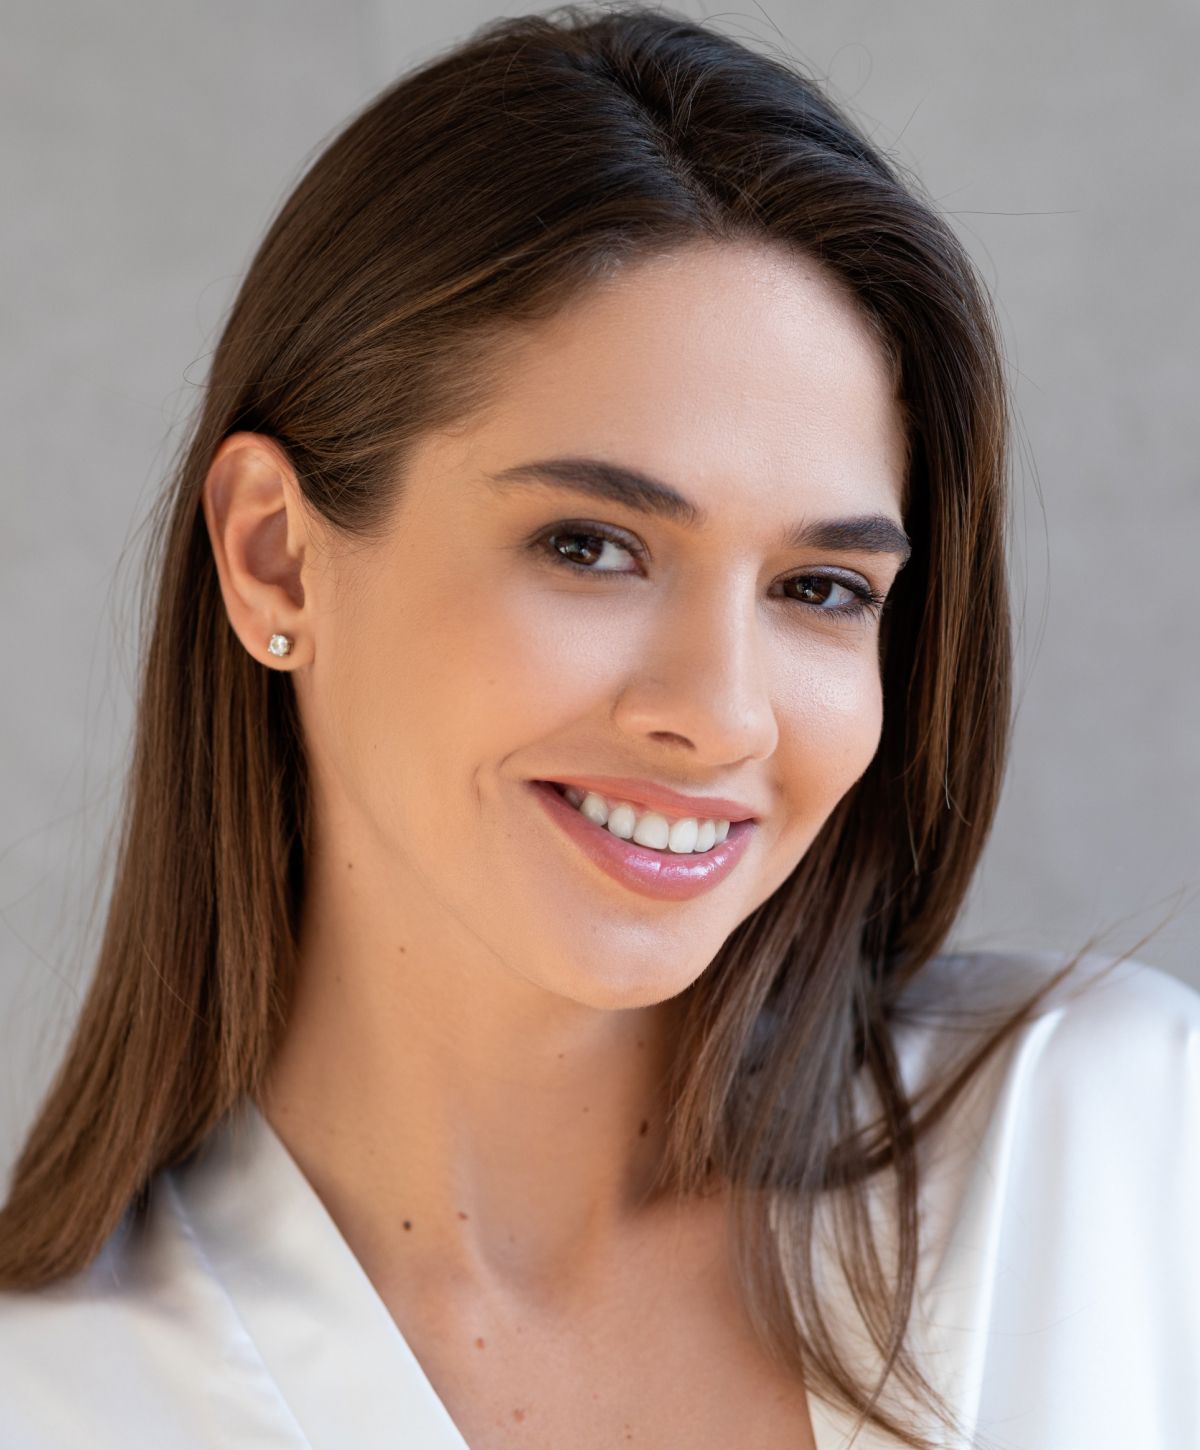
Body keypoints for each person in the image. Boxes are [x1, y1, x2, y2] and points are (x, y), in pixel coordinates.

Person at [1, 6, 1197, 1448]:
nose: (719, 711)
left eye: (820, 586)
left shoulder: (1116, 1158)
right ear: (275, 556)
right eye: (590, 546)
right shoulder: (52, 1395)